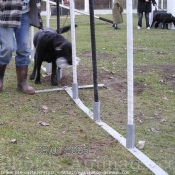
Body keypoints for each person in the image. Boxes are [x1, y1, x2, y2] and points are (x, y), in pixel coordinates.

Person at [0, 0, 70, 95]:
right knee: (8, 47)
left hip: (24, 13)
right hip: (6, 12)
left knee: (24, 47)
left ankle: (22, 83)